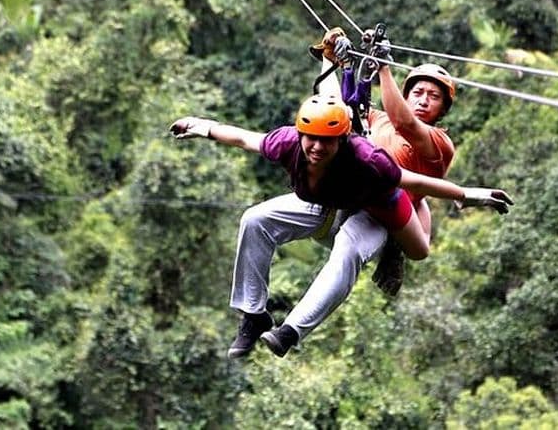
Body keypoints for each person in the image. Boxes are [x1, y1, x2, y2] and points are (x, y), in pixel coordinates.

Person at [170, 95, 512, 358]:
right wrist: (201, 126)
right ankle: (254, 315)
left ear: (342, 140)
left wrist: (470, 195)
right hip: (322, 207)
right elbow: (244, 139)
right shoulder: (288, 143)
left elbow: (416, 181)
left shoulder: (369, 161)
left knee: (347, 252)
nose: (317, 147)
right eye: (311, 139)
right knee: (255, 219)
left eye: (327, 141)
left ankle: (290, 332)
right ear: (301, 134)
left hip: (372, 216)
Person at [311, 28, 457, 295]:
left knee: (418, 247)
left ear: (443, 110)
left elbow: (405, 122)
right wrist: (334, 61)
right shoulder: (379, 118)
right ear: (407, 95)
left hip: (379, 217)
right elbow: (340, 110)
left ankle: (395, 243)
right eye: (418, 92)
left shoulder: (438, 142)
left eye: (433, 96)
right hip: (348, 198)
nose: (424, 100)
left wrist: (384, 67)